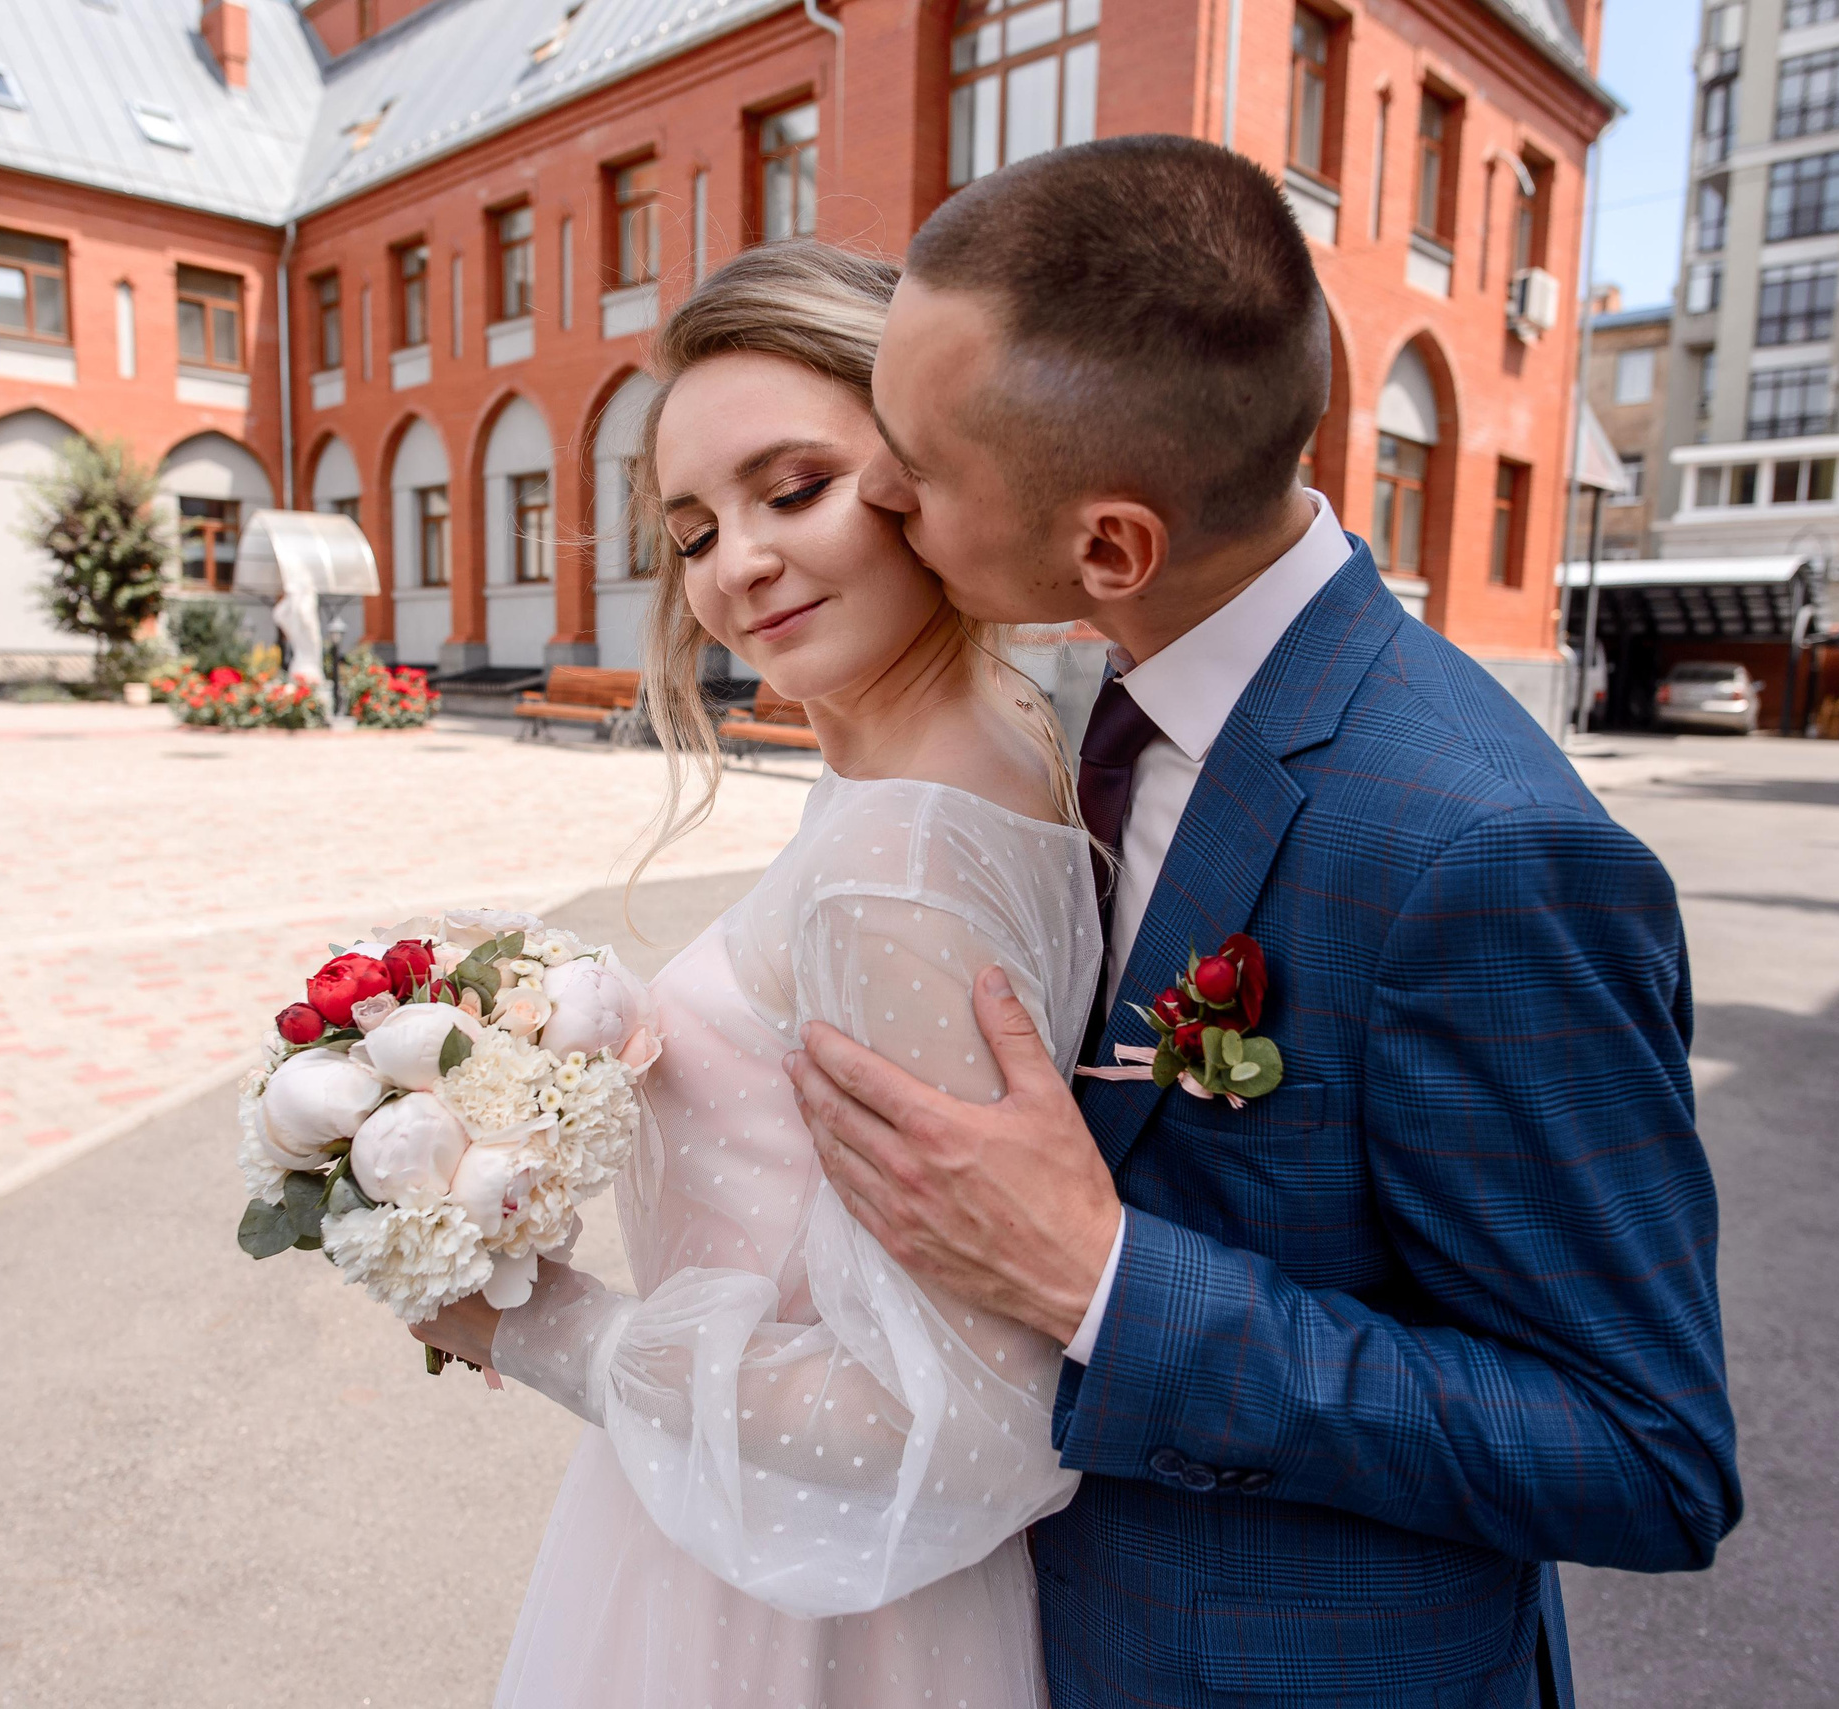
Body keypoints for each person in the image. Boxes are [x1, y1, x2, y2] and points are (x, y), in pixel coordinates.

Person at [787, 136, 1742, 1707]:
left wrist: (1105, 1277)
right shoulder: (1125, 683)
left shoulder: (1484, 852)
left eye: (918, 459)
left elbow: (1644, 1451)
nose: (880, 487)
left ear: (1110, 543)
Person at [408, 242, 1102, 1708]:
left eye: (794, 489)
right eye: (694, 528)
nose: (738, 562)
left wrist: (532, 1323)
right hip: (745, 1531)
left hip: (796, 1609)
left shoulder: (897, 863)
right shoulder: (964, 744)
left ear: (934, 465)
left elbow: (949, 1415)